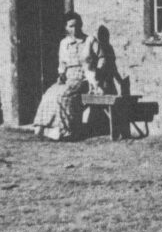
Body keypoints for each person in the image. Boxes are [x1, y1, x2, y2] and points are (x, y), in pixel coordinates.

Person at [33, 11, 105, 141]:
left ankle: (65, 131)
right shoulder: (64, 43)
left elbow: (102, 58)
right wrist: (61, 74)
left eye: (77, 25)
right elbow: (62, 63)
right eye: (71, 26)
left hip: (85, 78)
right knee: (49, 94)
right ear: (66, 28)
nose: (74, 29)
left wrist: (98, 72)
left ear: (81, 24)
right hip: (68, 77)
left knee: (63, 96)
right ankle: (46, 129)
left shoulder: (90, 40)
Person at [95, 25, 124, 95]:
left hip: (109, 81)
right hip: (101, 81)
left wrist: (120, 81)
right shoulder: (97, 47)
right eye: (103, 35)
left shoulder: (109, 48)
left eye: (106, 35)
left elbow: (113, 66)